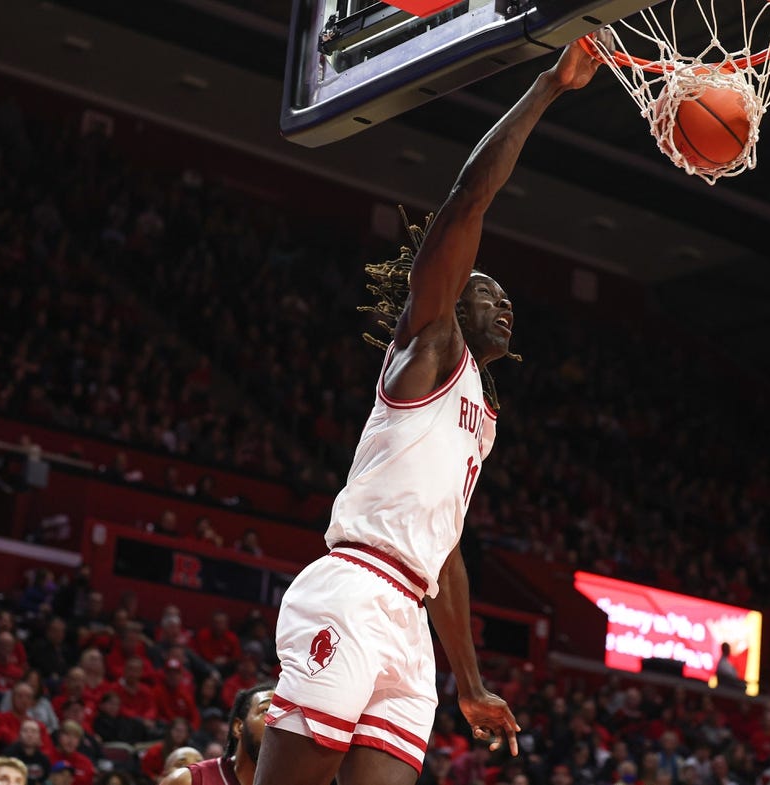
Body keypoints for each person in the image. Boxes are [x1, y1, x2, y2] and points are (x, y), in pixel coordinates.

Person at [253, 34, 608, 785]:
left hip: (410, 619)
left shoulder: (483, 413)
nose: (502, 301)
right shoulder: (431, 345)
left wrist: (471, 683)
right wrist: (548, 85)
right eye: (486, 289)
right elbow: (469, 198)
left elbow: (445, 553)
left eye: (507, 297)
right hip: (353, 588)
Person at [160, 684, 273, 785]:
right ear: (238, 727)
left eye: (287, 715)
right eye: (266, 710)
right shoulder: (190, 780)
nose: (279, 721)